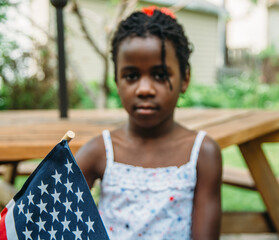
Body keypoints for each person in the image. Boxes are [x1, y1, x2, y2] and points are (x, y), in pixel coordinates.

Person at [75, 6, 222, 240]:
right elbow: (52, 211)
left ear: (185, 79)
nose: (144, 89)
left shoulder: (203, 154)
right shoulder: (100, 150)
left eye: (160, 75)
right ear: (117, 80)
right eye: (131, 76)